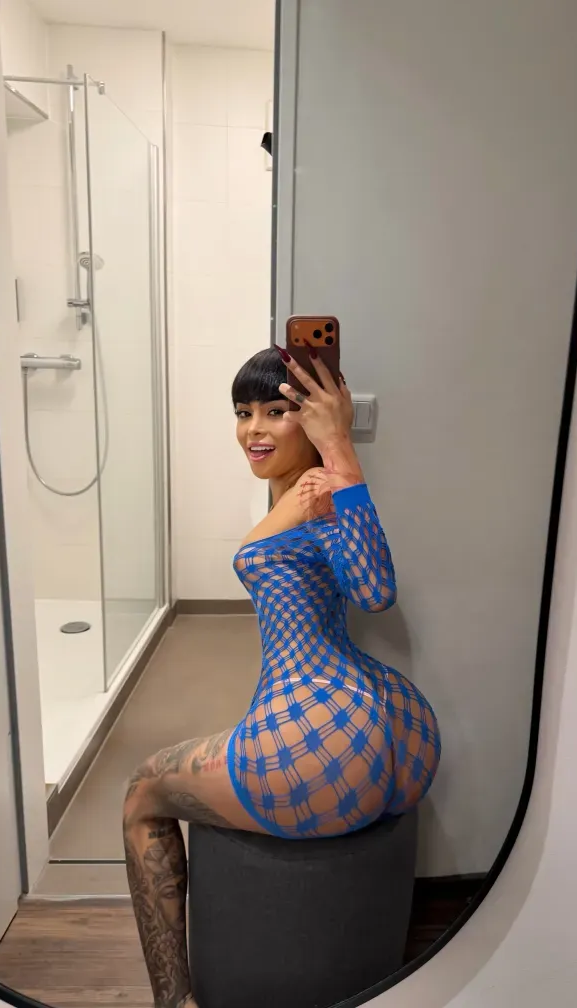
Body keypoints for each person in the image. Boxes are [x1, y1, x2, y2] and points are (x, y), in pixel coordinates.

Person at [123, 344, 441, 1008]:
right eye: (243, 412)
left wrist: (341, 448)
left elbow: (375, 592)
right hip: (387, 722)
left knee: (141, 794)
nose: (254, 430)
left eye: (276, 411)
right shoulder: (298, 489)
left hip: (325, 737)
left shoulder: (323, 488)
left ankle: (173, 1003)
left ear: (317, 415)